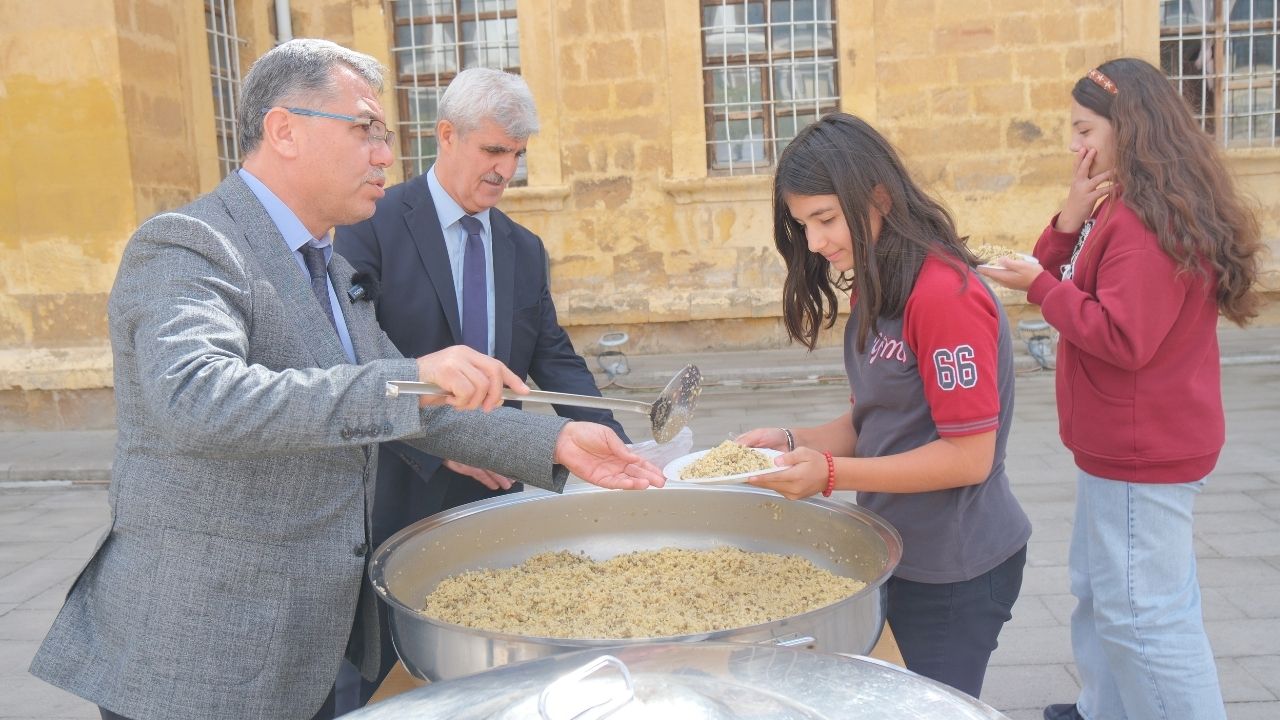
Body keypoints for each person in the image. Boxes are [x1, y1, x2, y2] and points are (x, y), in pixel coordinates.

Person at [27, 39, 663, 720]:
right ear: (284, 130)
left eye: (384, 135)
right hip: (201, 655)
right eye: (366, 129)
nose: (386, 155)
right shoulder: (188, 243)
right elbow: (196, 398)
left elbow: (416, 406)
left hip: (308, 644)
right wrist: (411, 373)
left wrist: (557, 445)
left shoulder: (326, 264)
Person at [333, 66, 631, 709]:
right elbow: (354, 360)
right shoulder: (373, 225)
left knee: (486, 673)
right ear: (446, 135)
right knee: (376, 674)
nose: (507, 171)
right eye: (494, 151)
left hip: (493, 498)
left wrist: (624, 447)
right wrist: (442, 443)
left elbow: (558, 363)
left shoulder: (524, 250)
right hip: (393, 491)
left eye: (518, 155)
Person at [979, 58, 1263, 720]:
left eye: (1084, 129)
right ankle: (1103, 708)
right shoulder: (1124, 210)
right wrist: (1068, 219)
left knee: (1147, 618)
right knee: (1104, 592)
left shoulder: (1142, 224)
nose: (1076, 144)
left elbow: (1121, 338)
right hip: (1122, 446)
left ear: (1127, 129)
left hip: (1144, 451)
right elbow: (1061, 274)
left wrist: (1042, 289)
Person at [737, 113, 1031, 700]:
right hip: (895, 551)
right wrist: (792, 444)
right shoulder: (880, 282)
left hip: (957, 568)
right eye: (804, 225)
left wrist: (830, 476)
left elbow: (968, 456)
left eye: (825, 219)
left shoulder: (943, 294)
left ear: (877, 196)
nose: (816, 243)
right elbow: (871, 422)